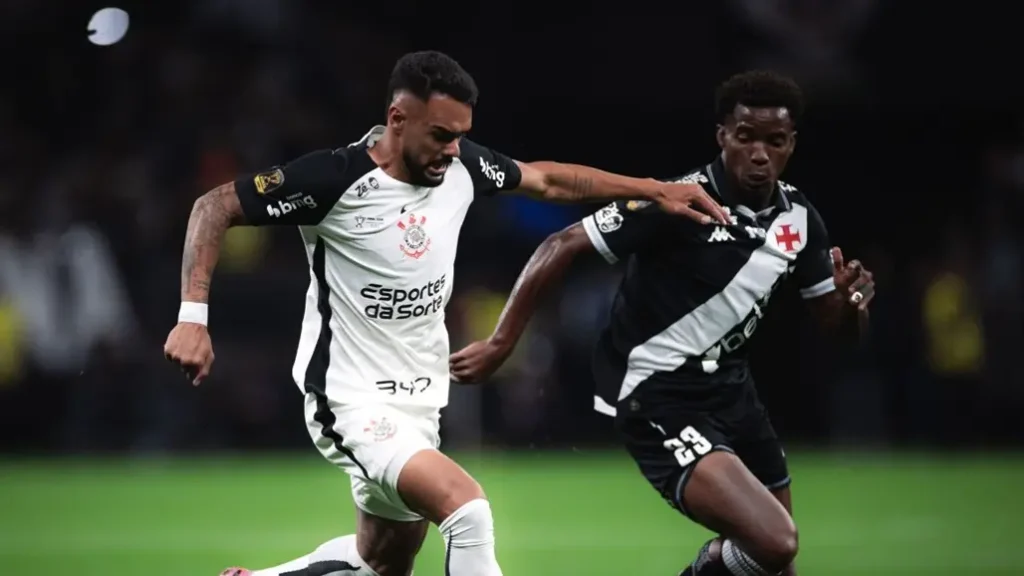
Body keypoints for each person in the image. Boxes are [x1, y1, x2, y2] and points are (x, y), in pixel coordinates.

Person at [162, 50, 728, 576]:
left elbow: (549, 179)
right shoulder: (333, 179)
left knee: (380, 561)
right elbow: (214, 206)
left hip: (420, 401)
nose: (454, 150)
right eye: (441, 135)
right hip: (350, 398)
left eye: (462, 136)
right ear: (398, 119)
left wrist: (655, 190)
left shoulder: (460, 166)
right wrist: (193, 315)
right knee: (468, 510)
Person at [449, 70, 876, 576]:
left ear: (791, 145)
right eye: (745, 137)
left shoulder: (799, 220)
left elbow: (838, 330)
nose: (759, 153)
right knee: (776, 542)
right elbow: (559, 245)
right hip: (658, 393)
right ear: (722, 136)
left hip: (734, 395)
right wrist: (502, 342)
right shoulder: (678, 200)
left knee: (772, 564)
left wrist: (853, 308)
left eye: (774, 141)